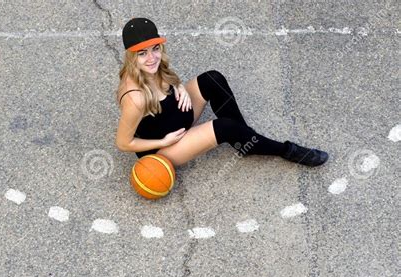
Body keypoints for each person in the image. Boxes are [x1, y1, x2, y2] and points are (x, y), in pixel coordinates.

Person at [115, 18, 328, 168]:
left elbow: (165, 76)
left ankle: (245, 140)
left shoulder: (153, 66)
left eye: (155, 48)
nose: (152, 57)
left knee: (212, 79)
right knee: (225, 127)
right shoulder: (135, 97)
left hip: (174, 118)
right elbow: (123, 143)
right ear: (131, 56)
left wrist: (178, 86)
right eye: (142, 53)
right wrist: (163, 142)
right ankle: (286, 150)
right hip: (165, 146)